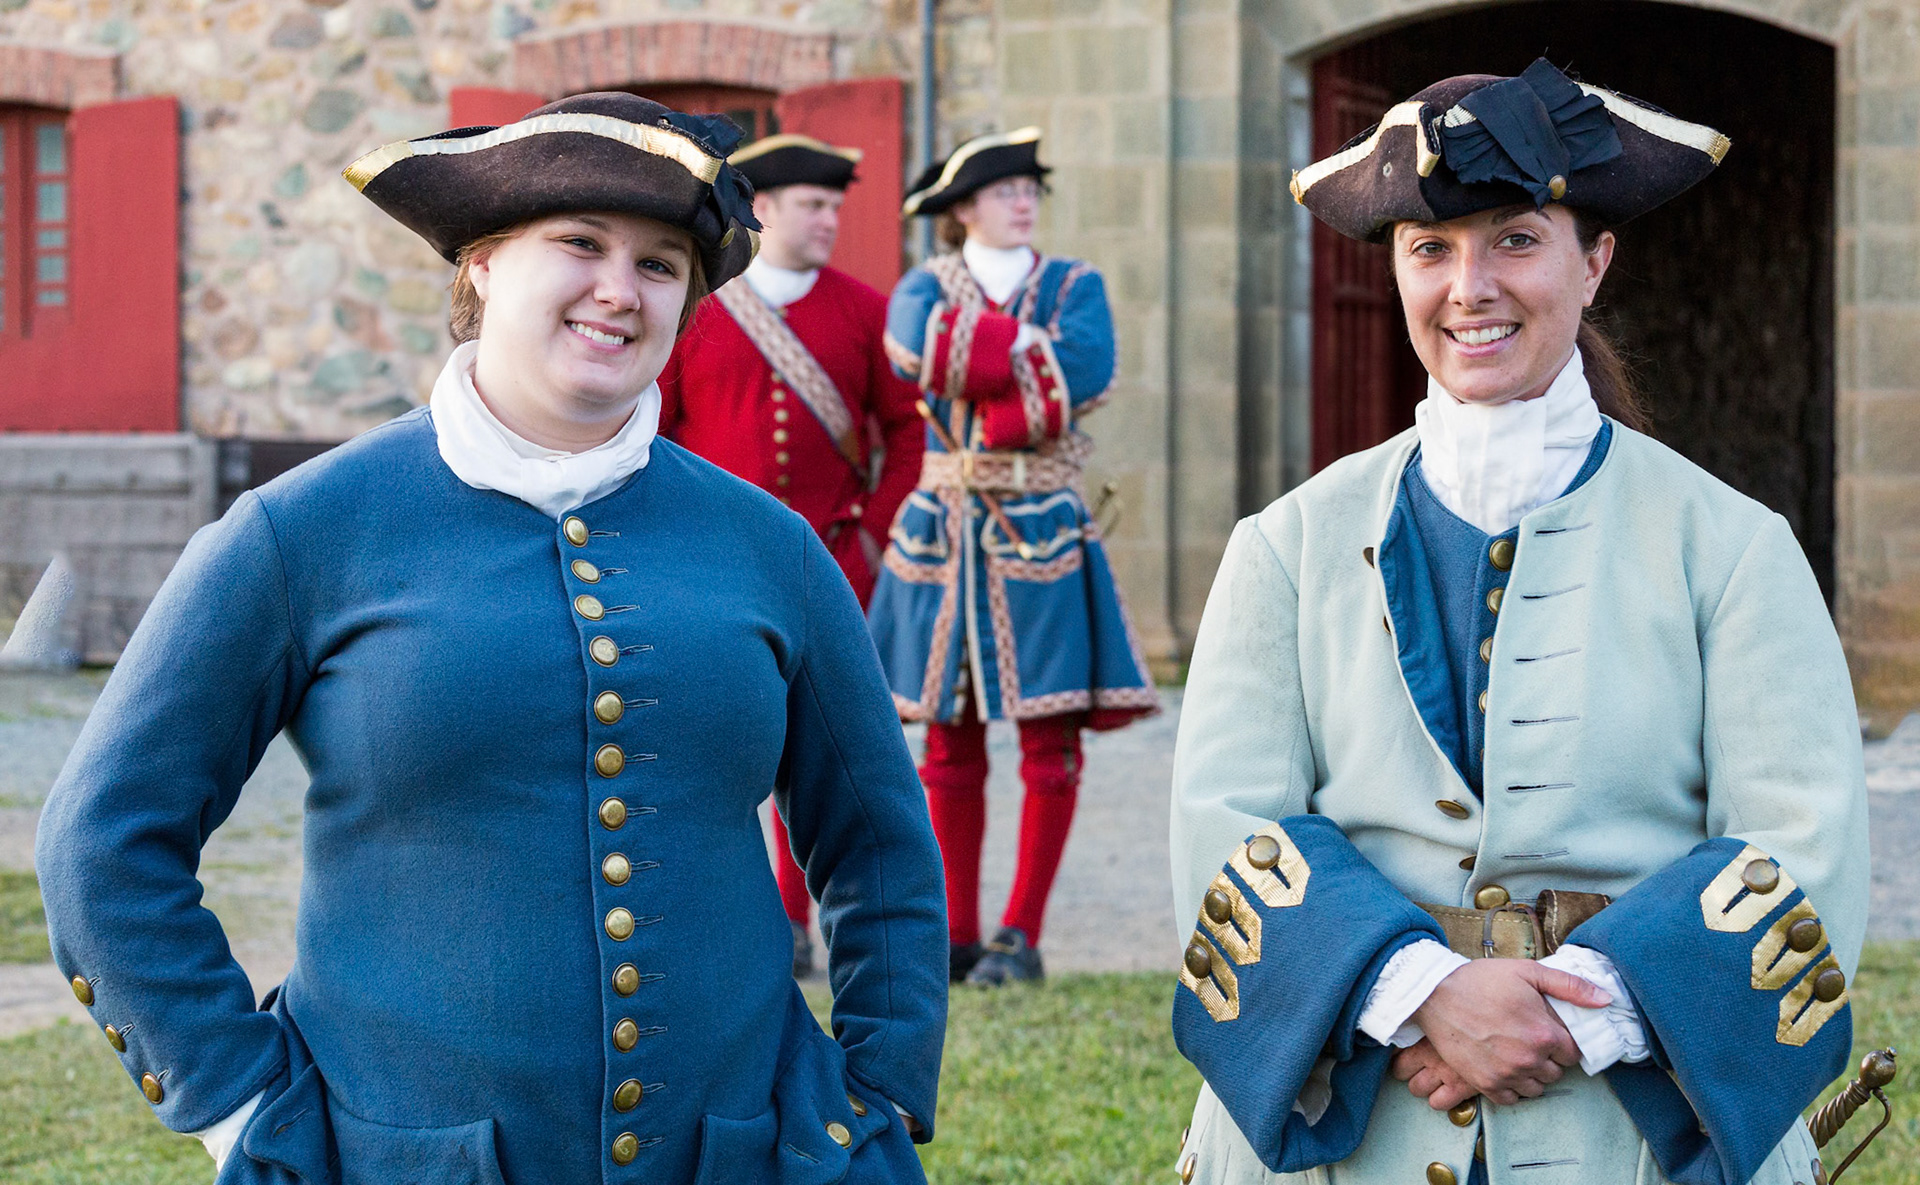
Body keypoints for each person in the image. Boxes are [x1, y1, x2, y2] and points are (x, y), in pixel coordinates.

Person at [34, 92, 947, 1185]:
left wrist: (882, 1091)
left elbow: (880, 846)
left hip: (738, 1154)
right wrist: (234, 1102)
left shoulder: (771, 548)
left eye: (662, 265)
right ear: (480, 263)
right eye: (580, 243)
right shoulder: (301, 533)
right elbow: (102, 842)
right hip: (396, 1160)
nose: (621, 288)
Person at [1167, 60, 1869, 1185]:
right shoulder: (1285, 547)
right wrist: (1418, 992)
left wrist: (1578, 1018)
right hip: (1358, 1117)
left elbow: (1803, 845)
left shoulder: (1733, 550)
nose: (1469, 288)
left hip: (1632, 1127)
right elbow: (1225, 828)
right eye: (1430, 249)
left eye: (1515, 240)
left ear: (1594, 261)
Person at [869, 127, 1160, 987]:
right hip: (942, 531)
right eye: (1004, 190)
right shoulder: (919, 286)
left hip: (1041, 525)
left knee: (1048, 737)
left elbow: (1087, 371)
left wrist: (993, 381)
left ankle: (1021, 935)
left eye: (1031, 187)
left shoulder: (1079, 284)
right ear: (963, 210)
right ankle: (957, 934)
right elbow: (918, 355)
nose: (1024, 199)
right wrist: (1029, 358)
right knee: (948, 742)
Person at [658, 132, 924, 978]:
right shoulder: (700, 310)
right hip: (711, 560)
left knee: (829, 749)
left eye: (838, 207)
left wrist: (879, 530)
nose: (831, 222)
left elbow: (910, 429)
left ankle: (808, 917)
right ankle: (739, 914)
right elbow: (655, 428)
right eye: (814, 205)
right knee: (718, 739)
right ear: (763, 210)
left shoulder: (864, 308)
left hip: (833, 564)